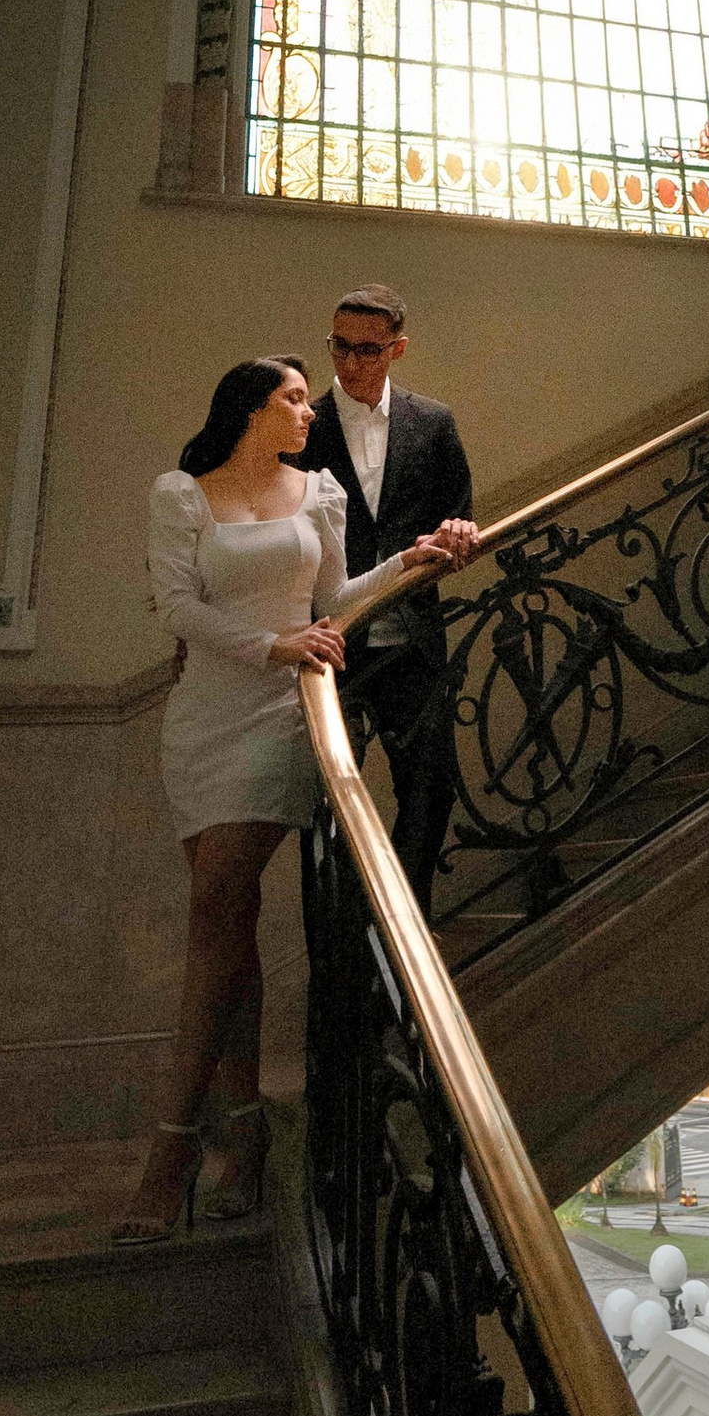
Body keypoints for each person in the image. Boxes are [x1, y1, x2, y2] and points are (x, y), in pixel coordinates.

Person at [119, 351, 477, 1243]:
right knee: (227, 925)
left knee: (215, 908)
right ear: (248, 408)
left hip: (284, 721)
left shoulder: (317, 493)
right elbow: (176, 606)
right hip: (203, 717)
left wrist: (411, 561)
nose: (307, 410)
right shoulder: (180, 493)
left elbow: (336, 600)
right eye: (290, 398)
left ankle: (170, 1152)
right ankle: (240, 1138)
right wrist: (276, 643)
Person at [299, 287, 476, 901]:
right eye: (339, 347)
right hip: (330, 642)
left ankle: (401, 917)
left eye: (367, 350)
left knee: (432, 785)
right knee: (326, 801)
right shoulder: (305, 425)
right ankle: (344, 951)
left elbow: (458, 514)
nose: (349, 363)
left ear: (397, 349)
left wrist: (458, 529)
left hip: (411, 640)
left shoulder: (433, 422)